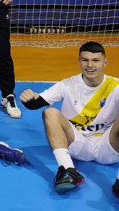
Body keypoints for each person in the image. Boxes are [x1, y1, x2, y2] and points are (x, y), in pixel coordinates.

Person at [19, 41, 119, 197]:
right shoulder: (67, 85)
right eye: (85, 60)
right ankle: (68, 170)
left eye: (95, 60)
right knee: (50, 112)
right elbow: (36, 103)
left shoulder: (115, 86)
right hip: (77, 144)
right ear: (79, 61)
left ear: (105, 62)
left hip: (108, 146)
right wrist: (29, 99)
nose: (90, 65)